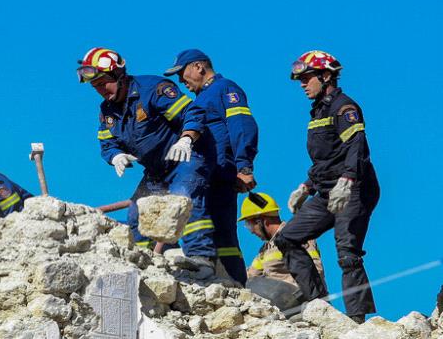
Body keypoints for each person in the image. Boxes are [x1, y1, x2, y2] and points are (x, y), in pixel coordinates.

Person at [78, 47, 218, 275]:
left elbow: (192, 113)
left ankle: (201, 259)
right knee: (136, 213)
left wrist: (185, 139)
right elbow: (107, 142)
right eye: (95, 87)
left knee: (184, 198)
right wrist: (115, 156)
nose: (101, 90)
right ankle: (145, 262)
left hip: (185, 159)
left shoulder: (153, 89)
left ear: (119, 76)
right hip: (155, 170)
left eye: (104, 83)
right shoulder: (107, 110)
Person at [274, 50, 380, 323]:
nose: (302, 83)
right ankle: (320, 306)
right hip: (326, 191)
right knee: (287, 238)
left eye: (306, 77)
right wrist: (307, 186)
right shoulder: (318, 111)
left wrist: (348, 180)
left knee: (347, 254)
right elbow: (327, 157)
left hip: (353, 189)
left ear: (326, 75)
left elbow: (356, 147)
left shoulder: (344, 107)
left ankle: (357, 321)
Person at [164, 49, 259, 285]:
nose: (180, 81)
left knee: (217, 226)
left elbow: (242, 126)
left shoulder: (225, 88)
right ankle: (224, 283)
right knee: (215, 227)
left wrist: (244, 167)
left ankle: (232, 282)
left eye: (182, 73)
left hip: (221, 169)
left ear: (199, 67)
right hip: (207, 171)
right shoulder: (202, 98)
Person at [238, 192, 325, 310]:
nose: (251, 231)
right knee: (247, 285)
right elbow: (250, 277)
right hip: (279, 303)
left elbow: (315, 270)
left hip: (301, 300)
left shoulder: (296, 236)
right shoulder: (265, 250)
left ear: (263, 221)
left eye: (250, 225)